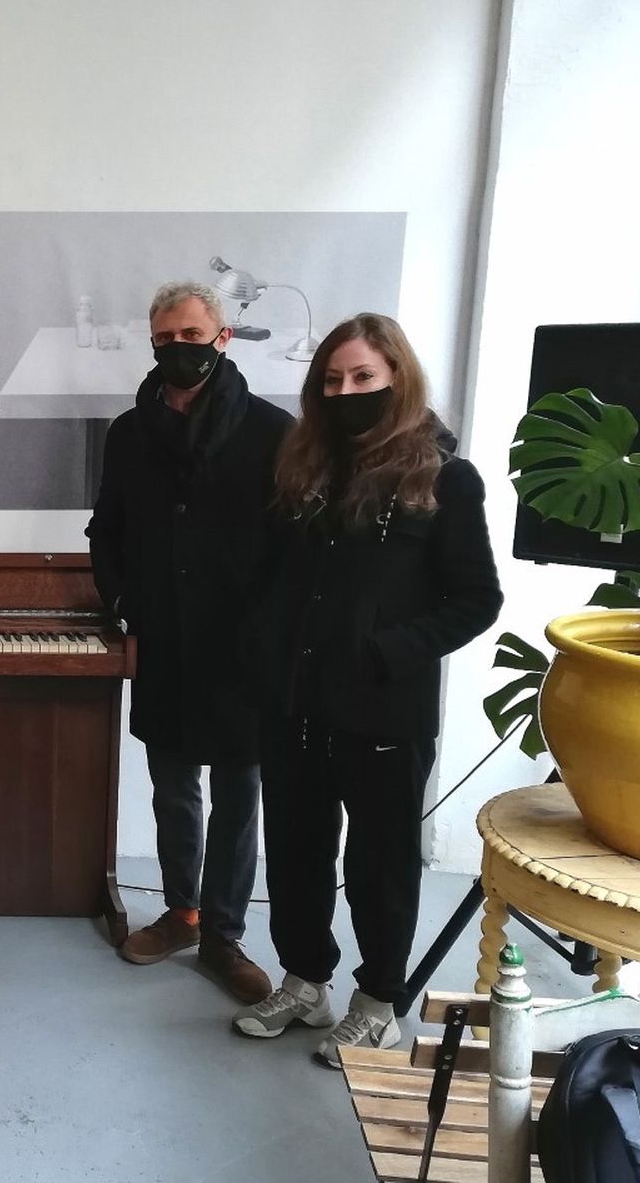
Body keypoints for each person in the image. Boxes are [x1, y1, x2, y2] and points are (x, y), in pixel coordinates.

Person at [231, 313, 502, 1067]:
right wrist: (263, 651)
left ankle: (378, 1003)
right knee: (295, 852)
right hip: (295, 703)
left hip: (384, 709)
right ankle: (304, 981)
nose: (346, 391)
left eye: (362, 378)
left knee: (378, 865)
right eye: (332, 379)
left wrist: (386, 652)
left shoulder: (444, 477)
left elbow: (475, 600)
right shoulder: (303, 469)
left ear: (396, 379)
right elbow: (274, 582)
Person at [86, 282, 292, 1004]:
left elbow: (292, 548)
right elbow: (104, 532)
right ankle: (182, 914)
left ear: (224, 338)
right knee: (174, 789)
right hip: (164, 641)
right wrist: (124, 610)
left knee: (241, 793)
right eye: (166, 338)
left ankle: (225, 937)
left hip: (243, 650)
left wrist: (270, 637)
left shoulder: (273, 432)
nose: (180, 349)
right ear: (152, 342)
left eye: (193, 337)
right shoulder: (128, 433)